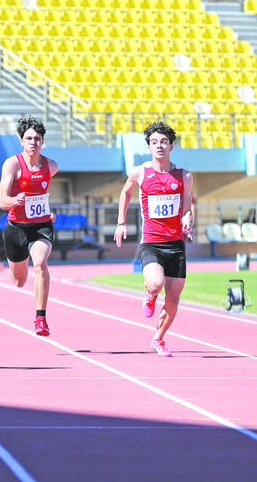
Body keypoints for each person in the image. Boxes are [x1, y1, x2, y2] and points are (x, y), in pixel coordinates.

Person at [114, 121, 194, 357]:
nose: (159, 146)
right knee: (156, 283)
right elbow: (125, 192)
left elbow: (188, 204)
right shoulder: (140, 172)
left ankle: (158, 339)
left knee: (174, 298)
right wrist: (121, 222)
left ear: (171, 146)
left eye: (163, 142)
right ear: (149, 147)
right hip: (151, 243)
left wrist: (188, 218)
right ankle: (149, 296)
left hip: (175, 243)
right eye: (154, 142)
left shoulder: (184, 176)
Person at [0, 116, 59, 337]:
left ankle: (41, 318)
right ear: (21, 141)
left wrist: (46, 211)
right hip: (16, 228)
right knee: (19, 280)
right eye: (29, 138)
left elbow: (42, 197)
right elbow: (2, 202)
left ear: (43, 141)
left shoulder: (51, 166)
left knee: (41, 263)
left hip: (41, 226)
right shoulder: (12, 164)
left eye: (37, 138)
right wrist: (16, 200)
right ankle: (18, 271)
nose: (33, 142)